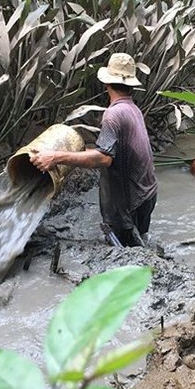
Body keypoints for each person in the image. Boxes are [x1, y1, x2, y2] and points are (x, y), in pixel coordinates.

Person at [29, 53, 158, 247]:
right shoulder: (133, 109)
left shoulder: (113, 114)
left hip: (129, 202)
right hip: (147, 194)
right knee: (140, 245)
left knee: (124, 252)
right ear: (131, 85)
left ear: (106, 84)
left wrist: (55, 156)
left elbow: (104, 158)